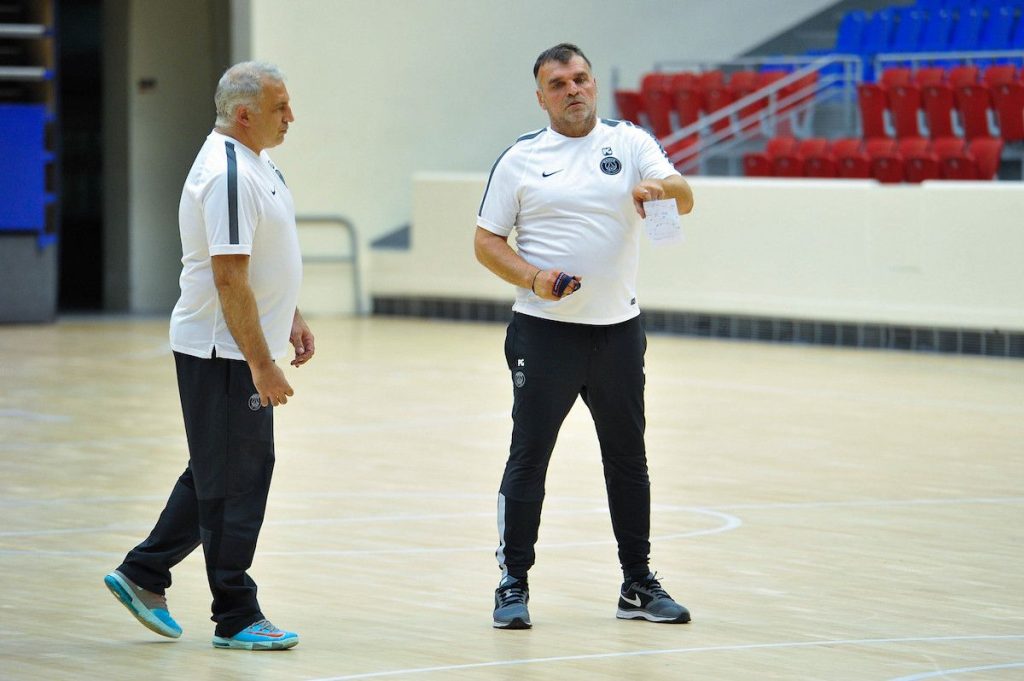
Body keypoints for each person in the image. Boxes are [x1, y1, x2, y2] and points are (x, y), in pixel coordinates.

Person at [474, 43, 694, 630]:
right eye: (558, 83)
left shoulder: (630, 143)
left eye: (580, 79)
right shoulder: (521, 159)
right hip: (544, 336)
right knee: (529, 459)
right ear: (541, 95)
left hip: (619, 334)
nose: (573, 89)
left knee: (628, 460)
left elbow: (686, 196)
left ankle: (637, 584)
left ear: (594, 84)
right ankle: (512, 582)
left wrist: (663, 193)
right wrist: (534, 278)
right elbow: (486, 242)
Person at [104, 61, 313, 651]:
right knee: (237, 481)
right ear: (244, 115)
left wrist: (289, 315)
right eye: (281, 108)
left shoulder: (256, 160)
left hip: (238, 347)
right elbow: (229, 280)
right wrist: (262, 363)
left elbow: (262, 258)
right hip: (224, 353)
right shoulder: (225, 173)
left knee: (219, 472)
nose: (291, 117)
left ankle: (143, 574)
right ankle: (236, 614)